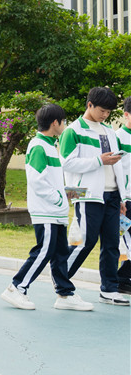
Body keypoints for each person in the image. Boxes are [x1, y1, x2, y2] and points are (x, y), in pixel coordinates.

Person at [1, 104, 93, 311]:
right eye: (64, 121)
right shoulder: (38, 146)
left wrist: (71, 193)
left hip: (55, 211)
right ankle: (16, 288)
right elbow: (37, 180)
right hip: (47, 210)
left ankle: (64, 294)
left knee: (60, 253)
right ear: (55, 123)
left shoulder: (51, 145)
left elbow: (53, 181)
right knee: (44, 251)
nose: (65, 125)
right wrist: (59, 199)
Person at [61, 87, 129, 306]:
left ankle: (109, 289)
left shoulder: (109, 131)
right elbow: (67, 163)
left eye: (109, 112)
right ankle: (60, 280)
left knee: (111, 243)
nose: (105, 115)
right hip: (87, 195)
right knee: (86, 241)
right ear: (89, 104)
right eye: (102, 110)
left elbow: (117, 166)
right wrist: (99, 161)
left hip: (111, 195)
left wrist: (122, 198)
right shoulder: (73, 130)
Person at [117, 97, 131, 295]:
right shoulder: (117, 137)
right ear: (126, 115)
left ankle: (122, 279)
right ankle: (119, 280)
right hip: (126, 199)